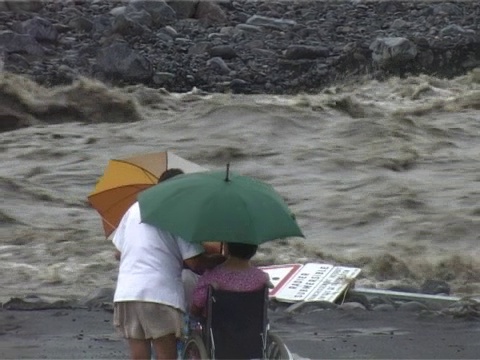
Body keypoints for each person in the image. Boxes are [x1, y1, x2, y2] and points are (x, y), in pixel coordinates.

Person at [113, 168, 225, 360]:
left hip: (126, 292)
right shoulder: (178, 213)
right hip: (159, 295)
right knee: (166, 353)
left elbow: (118, 252)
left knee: (139, 353)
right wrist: (217, 260)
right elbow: (194, 261)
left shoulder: (135, 208)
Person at [190, 242, 271, 317]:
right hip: (250, 327)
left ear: (227, 247)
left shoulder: (212, 277)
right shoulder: (262, 278)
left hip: (218, 328)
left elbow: (196, 307)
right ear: (254, 250)